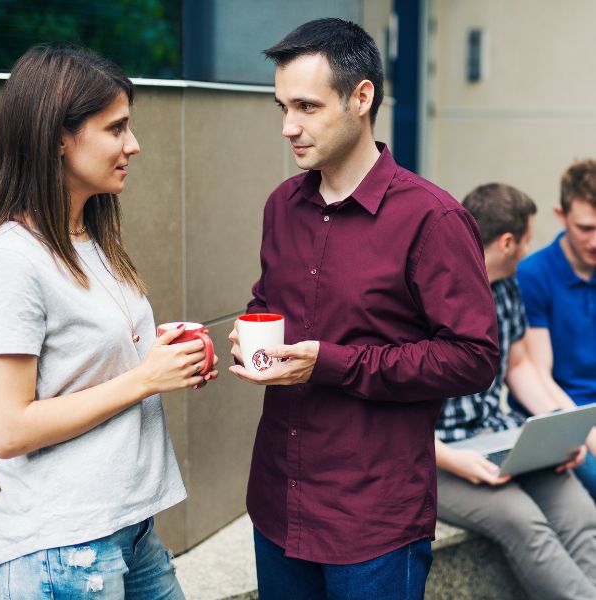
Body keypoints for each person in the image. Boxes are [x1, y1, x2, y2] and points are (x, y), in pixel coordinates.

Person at [228, 18, 499, 600]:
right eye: (281, 107)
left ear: (362, 97)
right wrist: (250, 334)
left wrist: (330, 363)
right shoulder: (282, 205)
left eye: (305, 106)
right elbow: (267, 299)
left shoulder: (433, 219)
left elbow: (474, 357)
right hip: (278, 503)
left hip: (373, 522)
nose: (288, 127)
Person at [0, 45, 218, 599]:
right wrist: (145, 379)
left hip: (128, 529)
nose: (133, 145)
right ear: (58, 137)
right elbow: (8, 430)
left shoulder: (89, 238)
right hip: (64, 547)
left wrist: (164, 353)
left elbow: (81, 363)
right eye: (116, 128)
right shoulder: (15, 259)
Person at [436, 183, 596, 600]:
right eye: (526, 239)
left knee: (580, 513)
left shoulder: (505, 289)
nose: (529, 249)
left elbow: (521, 366)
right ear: (508, 241)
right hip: (435, 456)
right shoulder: (427, 296)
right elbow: (391, 415)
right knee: (524, 522)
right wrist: (457, 461)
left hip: (498, 435)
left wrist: (561, 433)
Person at [515, 159, 596, 501]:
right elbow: (540, 376)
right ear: (561, 216)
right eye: (586, 228)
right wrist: (588, 432)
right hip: (560, 414)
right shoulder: (534, 274)